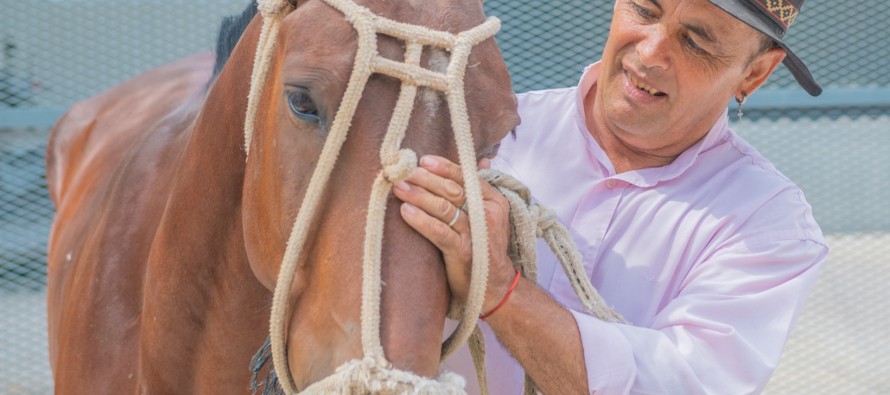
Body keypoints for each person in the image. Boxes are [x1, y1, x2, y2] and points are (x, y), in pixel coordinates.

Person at [392, 0, 828, 393]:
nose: (650, 53)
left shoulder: (767, 225)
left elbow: (683, 385)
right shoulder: (483, 134)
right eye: (644, 10)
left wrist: (501, 291)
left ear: (755, 73)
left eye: (695, 42)